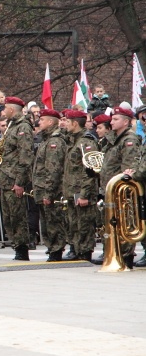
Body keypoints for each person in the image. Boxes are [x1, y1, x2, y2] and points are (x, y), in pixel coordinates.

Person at [91, 106, 140, 266]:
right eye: (111, 119)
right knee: (111, 224)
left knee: (124, 223)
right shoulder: (112, 140)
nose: (111, 122)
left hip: (121, 190)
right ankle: (112, 252)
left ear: (126, 121)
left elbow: (128, 168)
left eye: (116, 119)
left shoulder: (128, 140)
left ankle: (125, 256)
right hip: (109, 189)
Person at [0, 96, 35, 261]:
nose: (3, 111)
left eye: (5, 108)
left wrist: (19, 182)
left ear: (11, 109)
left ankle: (22, 248)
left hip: (14, 180)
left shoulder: (22, 127)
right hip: (5, 178)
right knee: (9, 217)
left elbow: (25, 157)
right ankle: (16, 245)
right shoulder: (11, 126)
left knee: (17, 217)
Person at [62, 109, 99, 262]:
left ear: (75, 123)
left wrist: (84, 194)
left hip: (82, 191)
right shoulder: (73, 140)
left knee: (83, 224)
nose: (64, 124)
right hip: (72, 190)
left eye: (67, 121)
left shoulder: (86, 142)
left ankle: (84, 252)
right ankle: (76, 250)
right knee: (73, 223)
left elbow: (90, 171)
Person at [32, 109, 67, 262]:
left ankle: (56, 250)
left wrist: (49, 193)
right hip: (43, 188)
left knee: (53, 222)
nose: (39, 122)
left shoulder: (54, 141)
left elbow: (53, 170)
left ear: (51, 122)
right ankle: (52, 248)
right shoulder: (46, 139)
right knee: (47, 221)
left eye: (42, 119)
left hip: (50, 190)